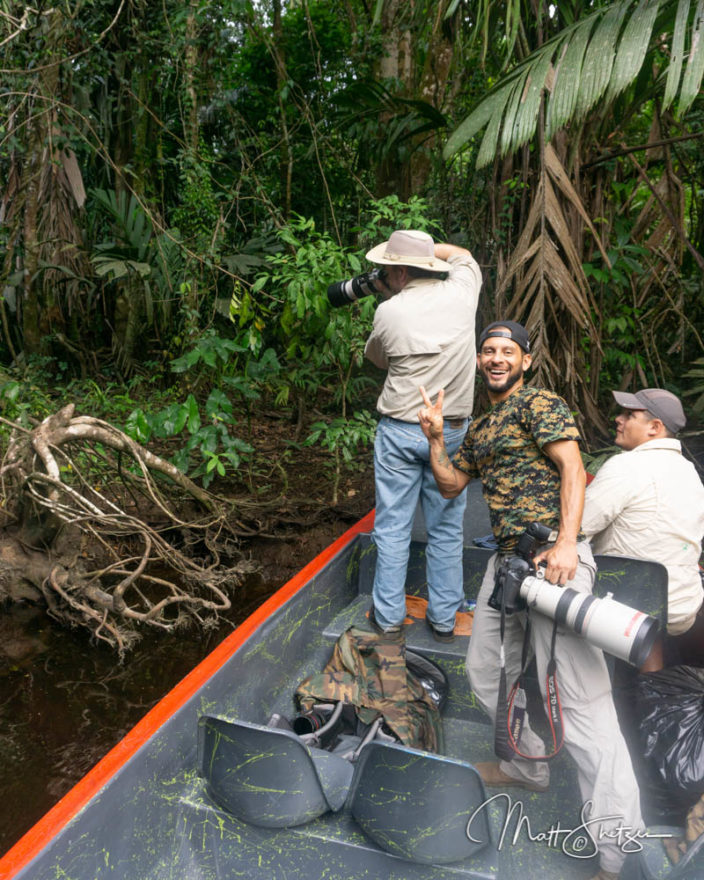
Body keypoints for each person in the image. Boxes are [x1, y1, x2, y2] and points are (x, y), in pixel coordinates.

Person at [418, 321, 643, 880]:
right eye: (489, 351)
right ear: (479, 361)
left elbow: (571, 467)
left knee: (583, 704)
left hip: (551, 557)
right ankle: (528, 766)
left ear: (526, 359)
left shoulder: (540, 403)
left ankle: (615, 852)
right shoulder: (484, 424)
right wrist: (435, 440)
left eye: (507, 351)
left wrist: (567, 542)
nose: (497, 359)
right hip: (506, 565)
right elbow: (450, 485)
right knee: (486, 668)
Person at [363, 228, 481, 642]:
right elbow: (462, 252)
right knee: (447, 527)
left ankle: (389, 617)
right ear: (432, 264)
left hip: (399, 427)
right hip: (449, 431)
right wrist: (430, 250)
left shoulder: (390, 311)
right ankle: (446, 619)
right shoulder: (464, 291)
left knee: (393, 526)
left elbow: (378, 359)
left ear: (398, 273)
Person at [582, 388, 704, 669]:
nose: (618, 419)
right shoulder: (689, 472)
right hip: (684, 603)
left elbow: (576, 531)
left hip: (635, 608)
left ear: (655, 427)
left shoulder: (627, 465)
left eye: (629, 415)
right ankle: (649, 688)